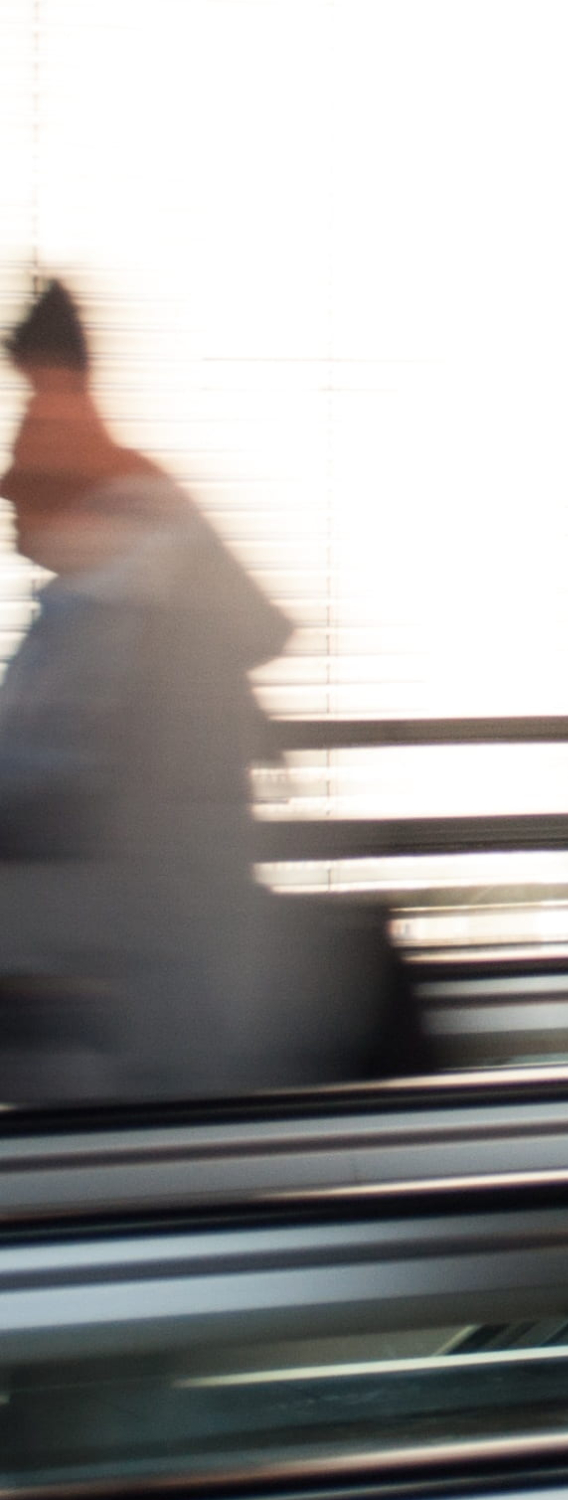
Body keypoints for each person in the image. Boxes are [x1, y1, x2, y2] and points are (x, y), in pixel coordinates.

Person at [0, 280, 346, 1103]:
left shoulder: (143, 630)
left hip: (134, 1045)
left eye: (34, 428)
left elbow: (86, 822)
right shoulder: (89, 613)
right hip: (105, 1023)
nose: (9, 481)